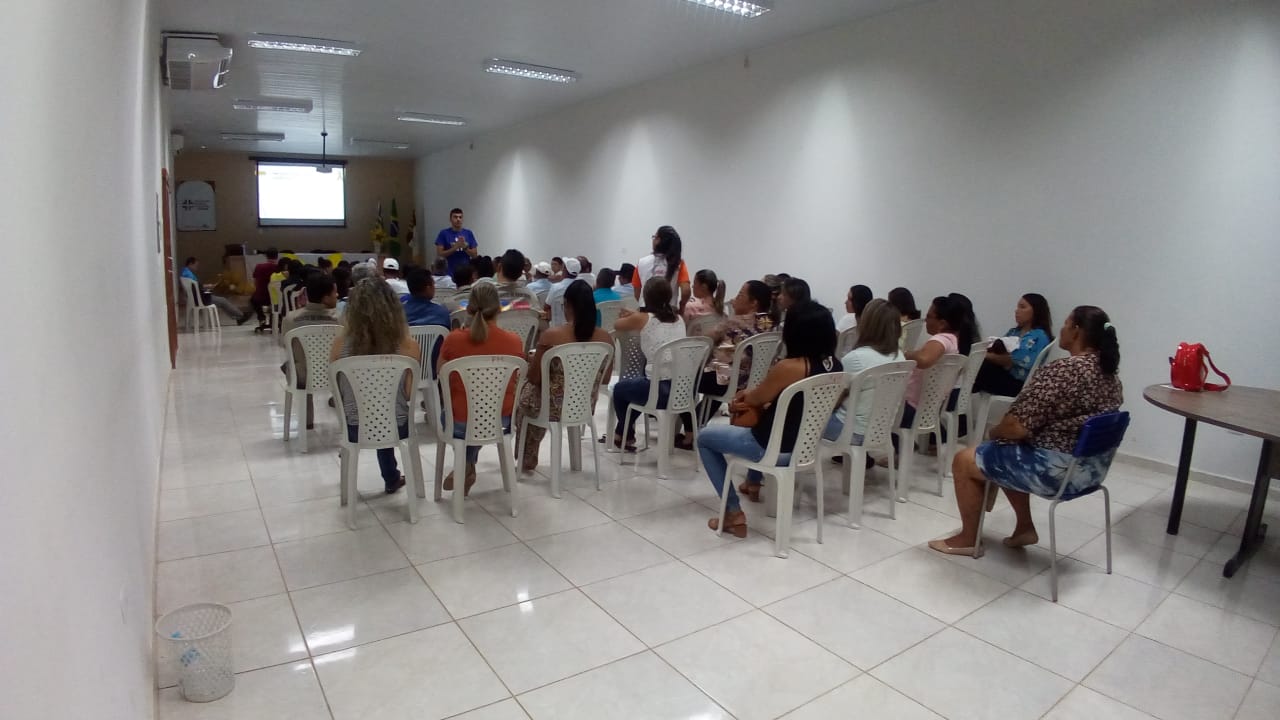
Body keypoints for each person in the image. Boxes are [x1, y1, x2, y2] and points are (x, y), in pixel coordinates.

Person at [929, 306, 1123, 556]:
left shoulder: (1063, 371)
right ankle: (1024, 527)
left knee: (965, 460)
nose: (1062, 329)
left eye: (1066, 324)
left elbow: (1017, 427)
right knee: (1007, 449)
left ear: (1076, 331)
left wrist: (995, 432)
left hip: (1056, 473)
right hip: (1091, 472)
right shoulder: (1110, 376)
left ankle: (967, 539)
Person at [697, 301, 843, 536]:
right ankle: (753, 483)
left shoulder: (790, 367)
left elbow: (757, 398)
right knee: (767, 418)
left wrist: (745, 396)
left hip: (771, 448)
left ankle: (733, 512)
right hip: (804, 449)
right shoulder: (836, 366)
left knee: (705, 437)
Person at [329, 278, 421, 494]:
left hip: (354, 426)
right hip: (397, 425)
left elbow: (338, 392)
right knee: (386, 412)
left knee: (371, 411)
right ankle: (392, 478)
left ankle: (383, 478)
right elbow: (408, 394)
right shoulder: (408, 346)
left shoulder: (339, 345)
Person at [513, 280, 613, 472]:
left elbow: (534, 378)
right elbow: (606, 379)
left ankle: (527, 456)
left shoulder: (552, 336)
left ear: (567, 305)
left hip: (551, 407)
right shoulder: (605, 339)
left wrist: (535, 361)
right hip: (584, 405)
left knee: (525, 392)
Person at [437, 284, 525, 493]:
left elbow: (441, 374)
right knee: (482, 417)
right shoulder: (514, 342)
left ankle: (465, 465)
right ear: (498, 309)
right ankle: (467, 465)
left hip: (460, 421)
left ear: (468, 308)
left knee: (456, 416)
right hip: (501, 420)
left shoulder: (454, 339)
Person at [676, 279, 776, 450]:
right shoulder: (772, 323)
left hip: (727, 380)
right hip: (752, 382)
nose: (735, 298)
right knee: (716, 381)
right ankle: (694, 428)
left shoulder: (734, 322)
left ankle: (690, 431)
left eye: (740, 294)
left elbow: (705, 338)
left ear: (754, 303)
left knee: (681, 381)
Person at [605, 277, 687, 451]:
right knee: (636, 388)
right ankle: (622, 434)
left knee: (620, 390)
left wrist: (634, 315)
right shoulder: (679, 318)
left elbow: (617, 324)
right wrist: (636, 315)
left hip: (658, 391)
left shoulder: (642, 318)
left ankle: (625, 434)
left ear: (645, 297)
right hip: (682, 389)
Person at [825, 299, 906, 455]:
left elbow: (833, 401)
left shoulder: (855, 358)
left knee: (804, 416)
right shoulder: (900, 357)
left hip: (851, 431)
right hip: (881, 429)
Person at [900, 295, 973, 428]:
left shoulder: (941, 339)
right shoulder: (953, 340)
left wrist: (905, 354)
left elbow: (924, 360)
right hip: (927, 407)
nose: (925, 320)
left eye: (929, 317)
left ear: (942, 323)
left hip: (911, 407)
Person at [973, 293, 1055, 397]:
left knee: (982, 365)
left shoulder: (1038, 336)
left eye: (1022, 307)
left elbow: (1010, 360)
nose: (1017, 311)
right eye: (1017, 307)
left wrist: (983, 355)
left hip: (1018, 384)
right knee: (976, 364)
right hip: (1003, 375)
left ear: (1036, 311)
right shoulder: (1014, 332)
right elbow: (999, 350)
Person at [633, 225, 691, 311]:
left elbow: (637, 292)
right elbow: (686, 291)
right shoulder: (678, 263)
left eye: (654, 237)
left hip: (646, 310)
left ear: (658, 240)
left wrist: (644, 303)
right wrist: (682, 306)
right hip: (669, 311)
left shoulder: (642, 262)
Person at [181, 257, 251, 325]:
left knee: (221, 301)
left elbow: (196, 286)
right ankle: (241, 316)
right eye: (196, 266)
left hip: (197, 296)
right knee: (223, 301)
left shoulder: (185, 272)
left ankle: (238, 317)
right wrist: (207, 287)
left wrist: (207, 286)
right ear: (190, 264)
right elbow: (196, 287)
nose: (197, 268)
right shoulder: (188, 274)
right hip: (200, 298)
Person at [434, 207, 479, 274]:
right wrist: (455, 248)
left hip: (465, 272)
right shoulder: (443, 233)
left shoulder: (468, 233)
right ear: (450, 219)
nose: (458, 219)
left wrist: (465, 248)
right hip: (449, 272)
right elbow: (439, 255)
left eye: (460, 217)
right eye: (455, 217)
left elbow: (475, 255)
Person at [544, 257, 582, 326]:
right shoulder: (582, 287)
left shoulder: (555, 287)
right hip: (578, 327)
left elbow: (546, 306)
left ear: (564, 270)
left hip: (557, 327)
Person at [251, 248, 280, 329]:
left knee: (253, 300)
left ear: (266, 256)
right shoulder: (279, 268)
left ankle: (261, 317)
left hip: (261, 297)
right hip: (276, 298)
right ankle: (273, 320)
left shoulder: (259, 267)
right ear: (277, 256)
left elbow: (255, 282)